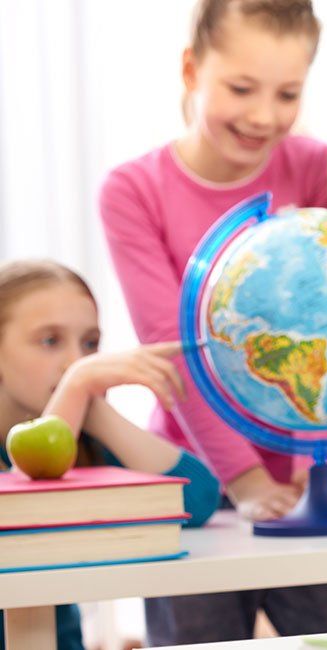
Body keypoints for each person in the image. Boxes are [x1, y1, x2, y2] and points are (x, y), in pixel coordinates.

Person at [99, 0, 327, 643]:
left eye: (287, 93)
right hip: (193, 483)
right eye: (240, 88)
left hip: (310, 478)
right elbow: (174, 351)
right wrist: (246, 479)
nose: (264, 115)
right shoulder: (133, 191)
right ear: (190, 68)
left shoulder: (319, 166)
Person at [0, 259, 220, 650]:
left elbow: (199, 501)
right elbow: (23, 508)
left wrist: (95, 410)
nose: (75, 360)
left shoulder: (85, 443)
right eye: (49, 341)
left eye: (89, 344)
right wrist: (78, 384)